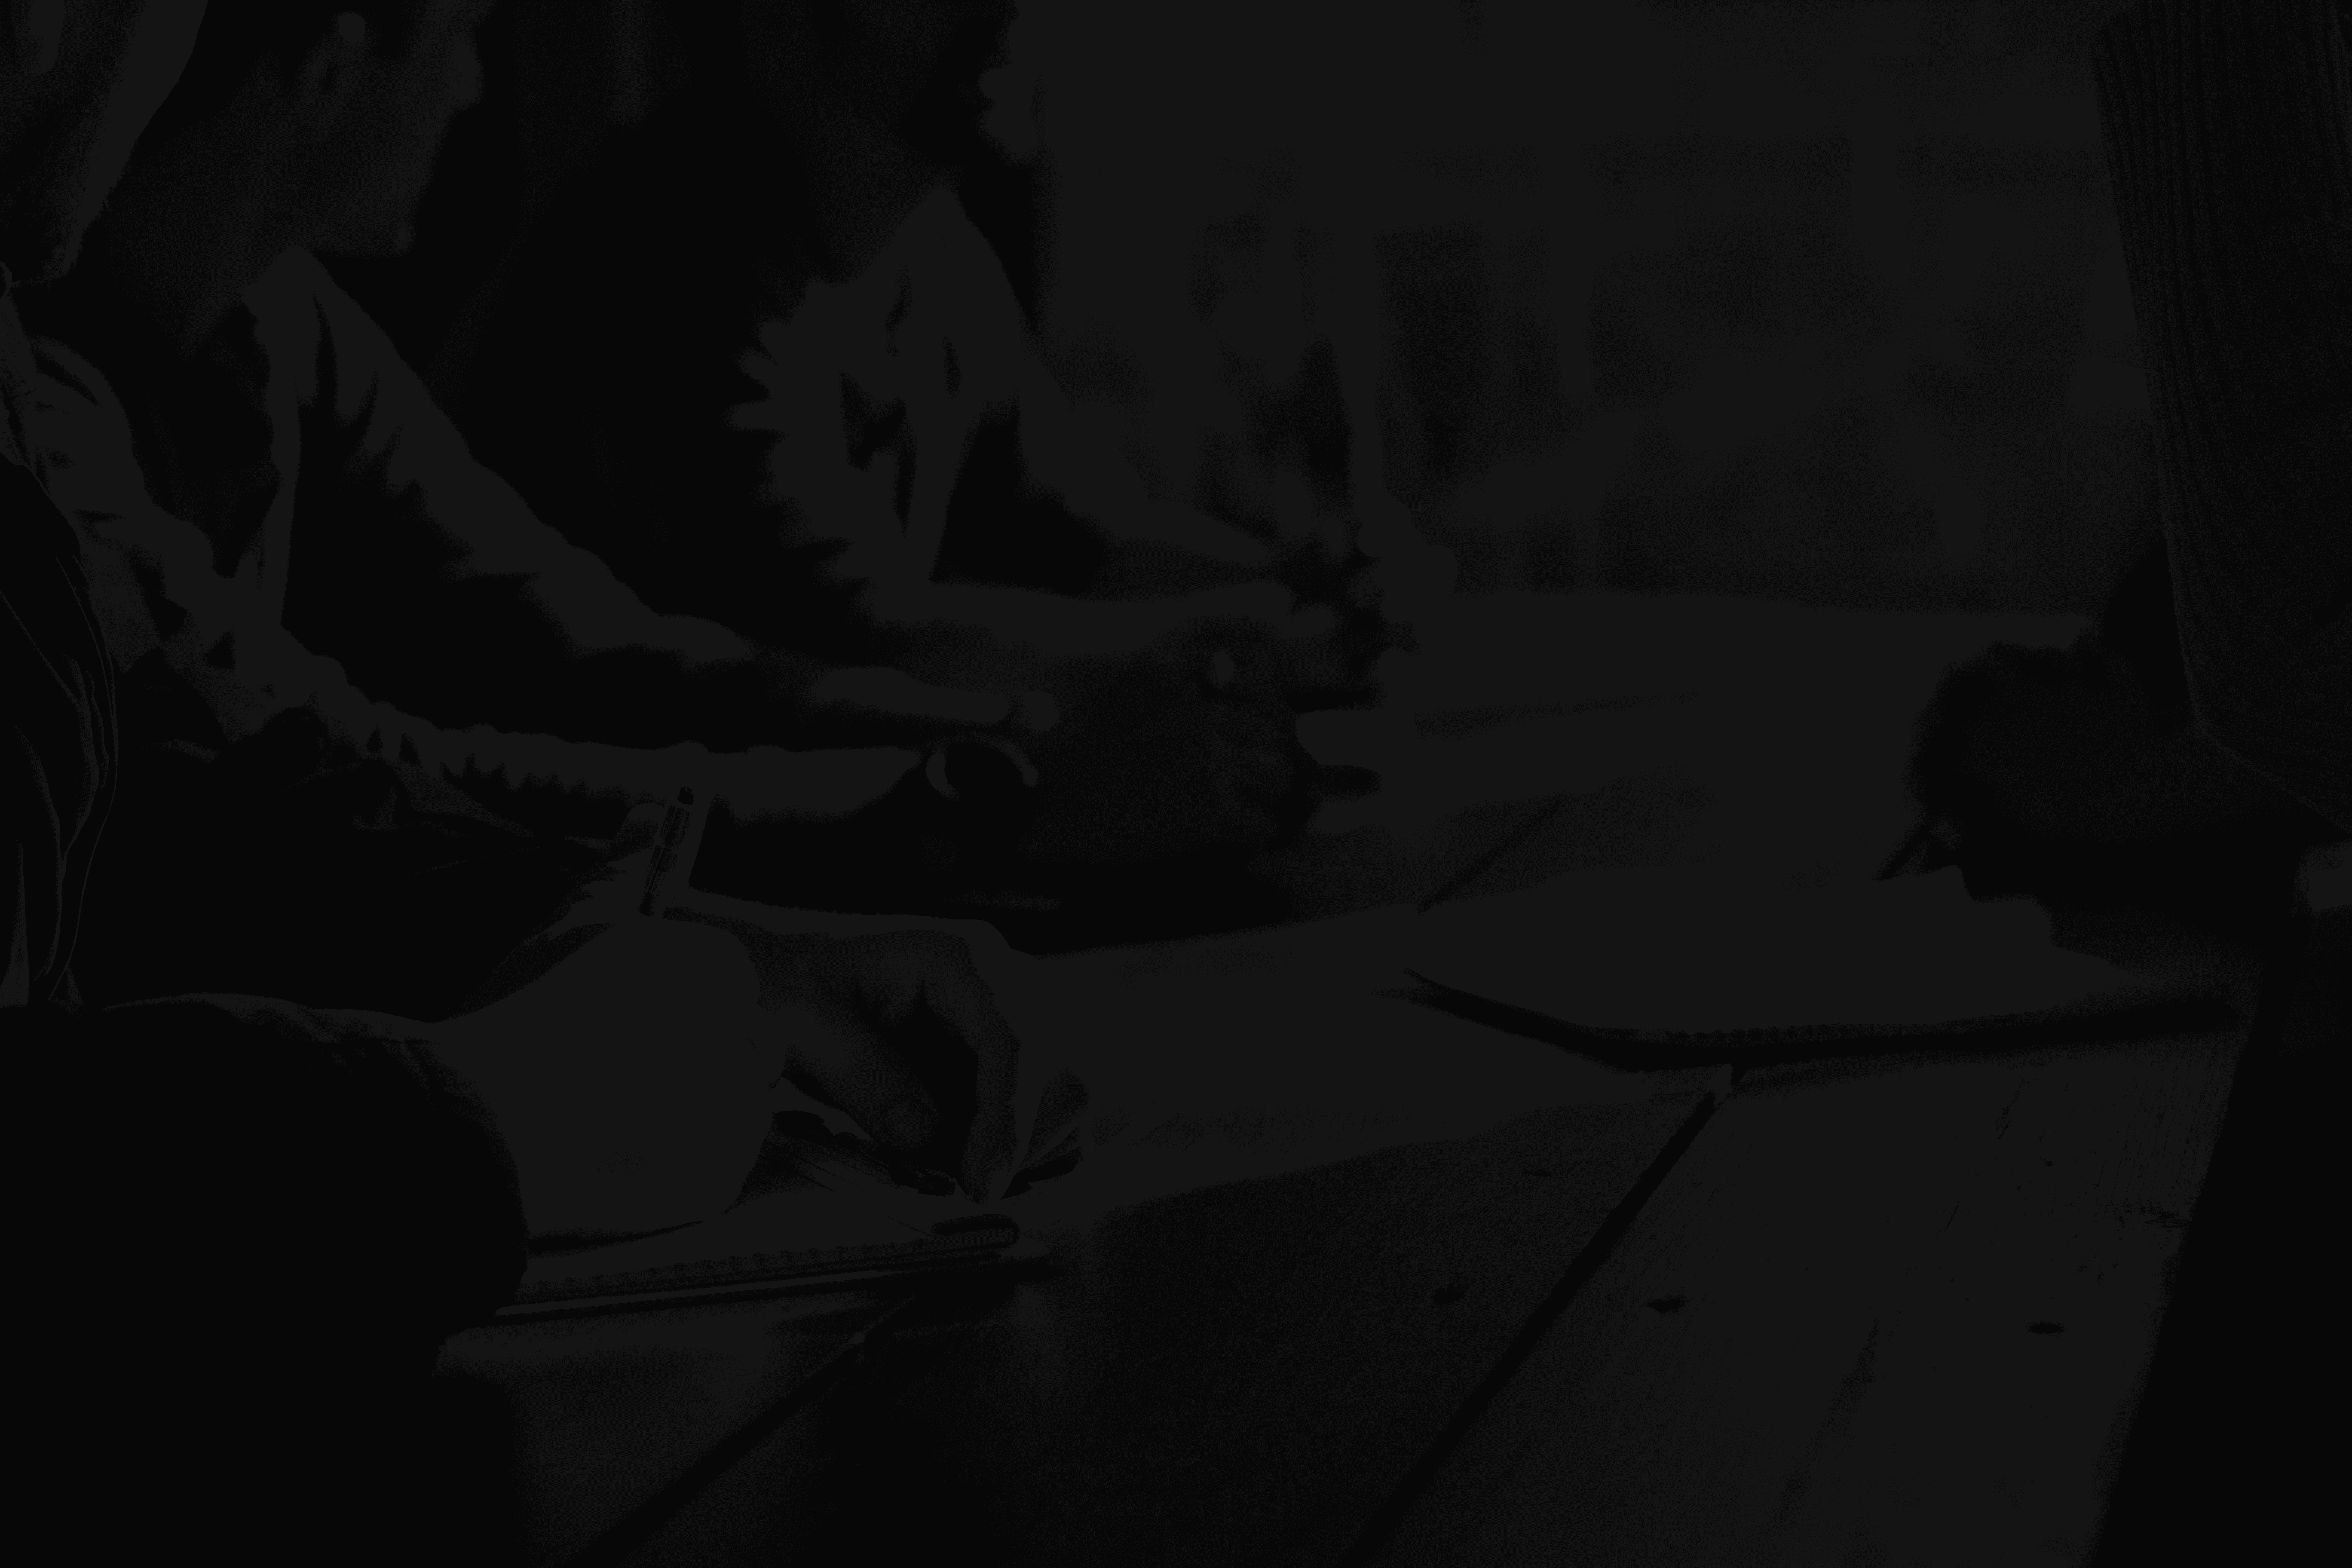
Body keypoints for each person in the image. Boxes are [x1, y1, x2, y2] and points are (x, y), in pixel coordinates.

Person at [4, 4, 1048, 1553]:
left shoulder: (234, 330)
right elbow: (321, 752)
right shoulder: (58, 382)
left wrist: (662, 928)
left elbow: (200, 802)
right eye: (462, 33)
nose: (482, 82)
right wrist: (486, 1113)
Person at [19, 0, 1312, 993]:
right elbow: (359, 776)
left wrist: (1000, 752)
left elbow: (592, 652)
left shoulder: (283, 324)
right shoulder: (42, 411)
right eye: (465, 37)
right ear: (327, 67)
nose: (476, 90)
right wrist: (985, 801)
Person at [441, 0, 1348, 931]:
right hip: (572, 913)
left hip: (800, 873)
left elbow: (1066, 532)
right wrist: (1250, 643)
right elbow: (845, 633)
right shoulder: (668, 247)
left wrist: (1291, 578)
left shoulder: (928, 240)